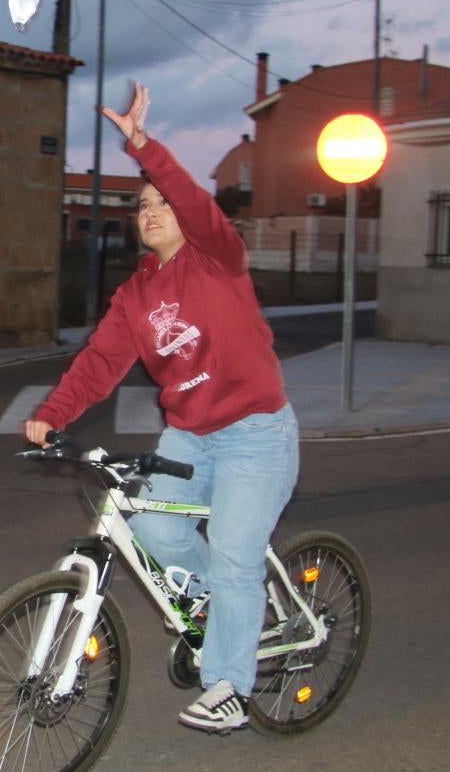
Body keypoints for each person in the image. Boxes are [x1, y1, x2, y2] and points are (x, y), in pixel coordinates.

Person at [23, 83, 298, 736]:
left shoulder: (217, 259)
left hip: (255, 433)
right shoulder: (136, 295)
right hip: (191, 435)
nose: (149, 212)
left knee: (234, 555)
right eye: (141, 205)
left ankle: (229, 683)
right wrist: (51, 414)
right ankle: (225, 609)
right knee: (152, 530)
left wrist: (145, 149)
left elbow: (201, 210)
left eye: (159, 202)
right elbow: (99, 362)